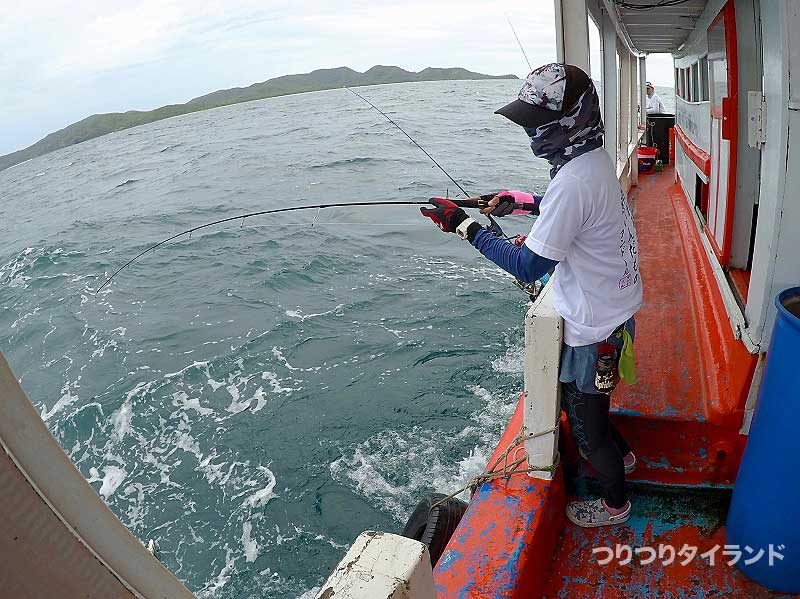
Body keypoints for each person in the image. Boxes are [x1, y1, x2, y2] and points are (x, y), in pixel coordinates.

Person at [420, 63, 643, 528]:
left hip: (593, 331)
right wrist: (521, 202)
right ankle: (623, 458)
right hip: (615, 314)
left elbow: (528, 265)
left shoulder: (573, 182)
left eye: (539, 121)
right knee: (591, 408)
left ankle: (615, 506)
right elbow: (568, 210)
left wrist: (464, 225)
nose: (532, 132)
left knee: (587, 431)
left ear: (570, 121)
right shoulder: (592, 162)